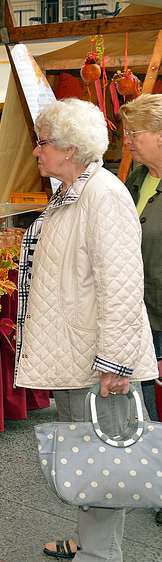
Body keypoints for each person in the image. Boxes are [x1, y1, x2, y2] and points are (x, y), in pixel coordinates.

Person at [14, 99, 158, 561]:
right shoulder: (77, 190)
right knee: (89, 457)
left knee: (102, 462)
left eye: (43, 143)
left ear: (71, 148)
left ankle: (101, 556)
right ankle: (92, 547)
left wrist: (115, 361)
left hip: (97, 361)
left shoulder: (103, 194)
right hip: (77, 354)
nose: (36, 152)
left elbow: (122, 284)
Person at [118, 94, 162, 425]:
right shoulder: (137, 178)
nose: (128, 140)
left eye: (135, 132)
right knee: (151, 400)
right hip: (139, 309)